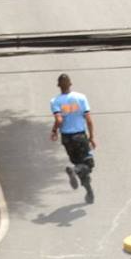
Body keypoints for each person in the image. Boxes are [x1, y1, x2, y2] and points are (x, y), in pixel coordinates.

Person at [49, 73, 95, 202]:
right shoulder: (81, 98)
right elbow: (89, 120)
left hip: (67, 138)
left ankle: (89, 193)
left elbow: (59, 120)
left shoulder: (55, 101)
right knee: (88, 164)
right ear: (70, 84)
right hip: (80, 136)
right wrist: (91, 137)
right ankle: (75, 171)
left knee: (80, 166)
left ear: (59, 86)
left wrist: (54, 131)